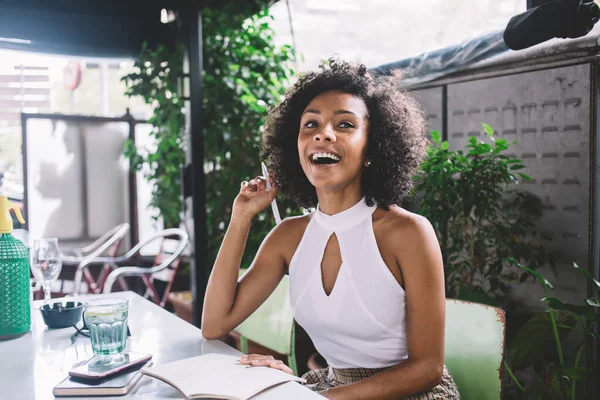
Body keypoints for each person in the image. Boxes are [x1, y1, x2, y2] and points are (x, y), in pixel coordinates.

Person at [201, 59, 460, 399]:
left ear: (372, 149)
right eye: (311, 124)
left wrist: (317, 399)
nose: (323, 133)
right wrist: (241, 217)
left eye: (345, 124)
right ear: (296, 147)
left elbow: (427, 369)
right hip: (334, 385)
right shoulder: (287, 238)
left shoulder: (408, 233)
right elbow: (215, 324)